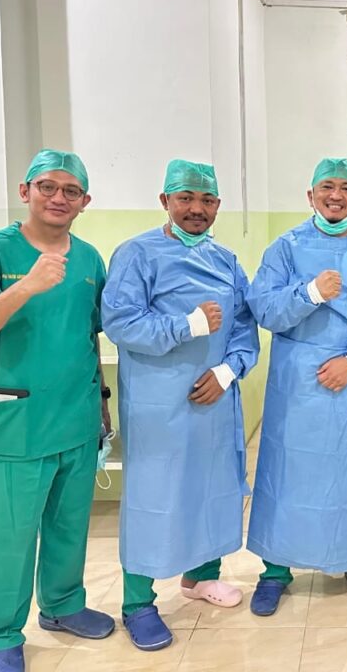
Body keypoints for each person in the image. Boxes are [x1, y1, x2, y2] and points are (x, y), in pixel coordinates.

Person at [0, 149, 115, 672]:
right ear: (25, 191)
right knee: (12, 536)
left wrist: (101, 401)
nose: (59, 198)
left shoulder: (88, 260)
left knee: (69, 524)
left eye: (72, 190)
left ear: (85, 201)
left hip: (76, 415)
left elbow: (89, 334)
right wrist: (27, 285)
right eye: (48, 186)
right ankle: (3, 635)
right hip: (18, 421)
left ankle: (63, 605)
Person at [101, 159, 259, 651]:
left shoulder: (226, 261)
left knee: (210, 489)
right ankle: (137, 603)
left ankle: (201, 577)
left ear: (218, 206)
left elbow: (244, 326)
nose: (196, 208)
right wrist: (186, 325)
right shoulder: (137, 254)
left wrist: (227, 371)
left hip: (214, 401)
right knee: (156, 496)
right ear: (165, 200)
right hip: (159, 405)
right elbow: (120, 322)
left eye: (206, 200)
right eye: (186, 198)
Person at [244, 157, 347, 616]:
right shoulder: (285, 248)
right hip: (298, 390)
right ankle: (275, 569)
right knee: (288, 476)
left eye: (346, 188)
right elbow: (264, 309)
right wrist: (310, 293)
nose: (336, 195)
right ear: (311, 195)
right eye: (327, 187)